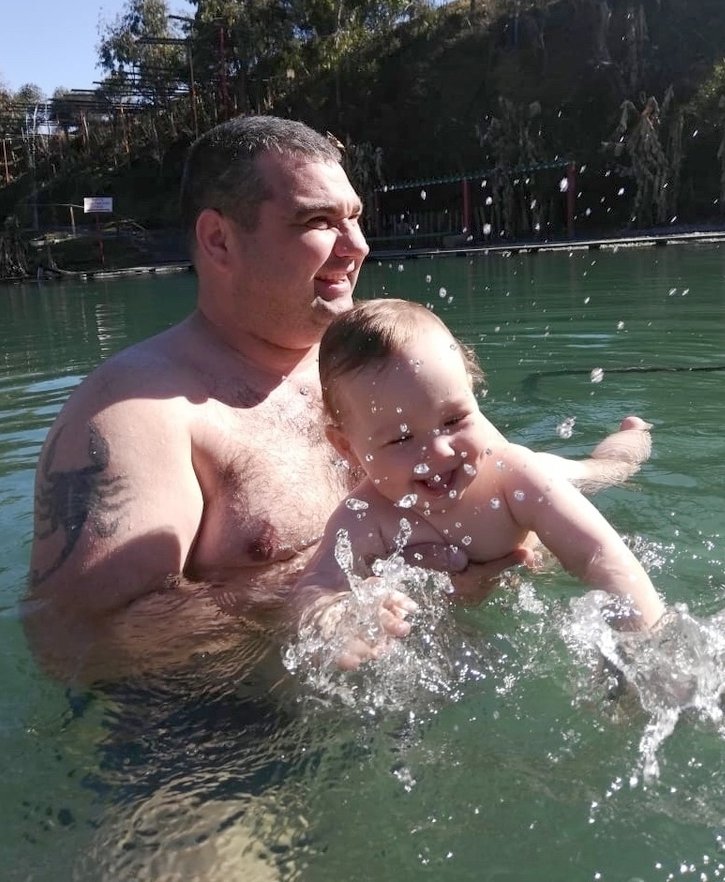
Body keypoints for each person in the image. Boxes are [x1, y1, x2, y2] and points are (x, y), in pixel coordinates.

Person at [25, 115, 655, 685]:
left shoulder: (374, 362)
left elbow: (505, 469)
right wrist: (325, 591)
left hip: (431, 687)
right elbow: (73, 642)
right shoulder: (135, 411)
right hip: (238, 737)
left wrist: (605, 468)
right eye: (319, 221)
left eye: (354, 217)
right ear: (219, 240)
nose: (358, 246)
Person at [291, 299, 665, 669]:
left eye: (453, 420)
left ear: (472, 394)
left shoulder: (515, 479)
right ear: (347, 448)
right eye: (401, 439)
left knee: (607, 469)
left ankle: (632, 435)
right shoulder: (363, 516)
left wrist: (645, 649)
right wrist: (336, 621)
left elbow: (600, 554)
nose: (439, 451)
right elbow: (315, 586)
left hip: (543, 474)